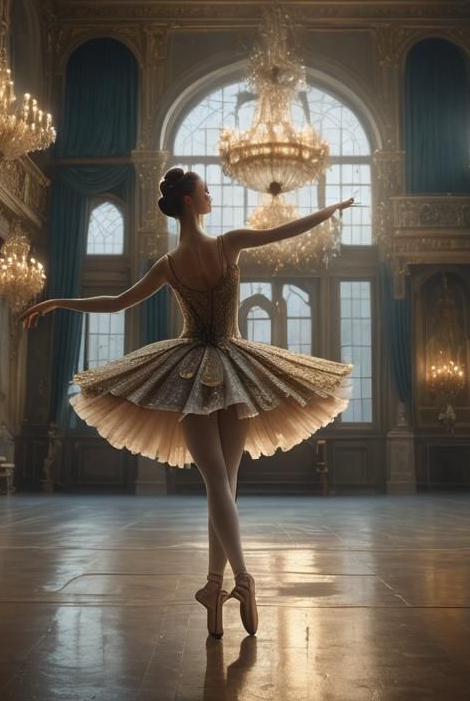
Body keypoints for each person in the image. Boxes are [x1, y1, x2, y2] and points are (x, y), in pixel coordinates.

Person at [21, 167, 355, 638]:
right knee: (227, 485)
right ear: (189, 202)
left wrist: (59, 302)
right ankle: (231, 581)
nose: (211, 195)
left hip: (191, 372)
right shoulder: (227, 244)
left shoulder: (170, 263)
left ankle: (224, 584)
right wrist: (330, 211)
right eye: (205, 191)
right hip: (235, 368)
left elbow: (117, 303)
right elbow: (285, 232)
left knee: (217, 484)